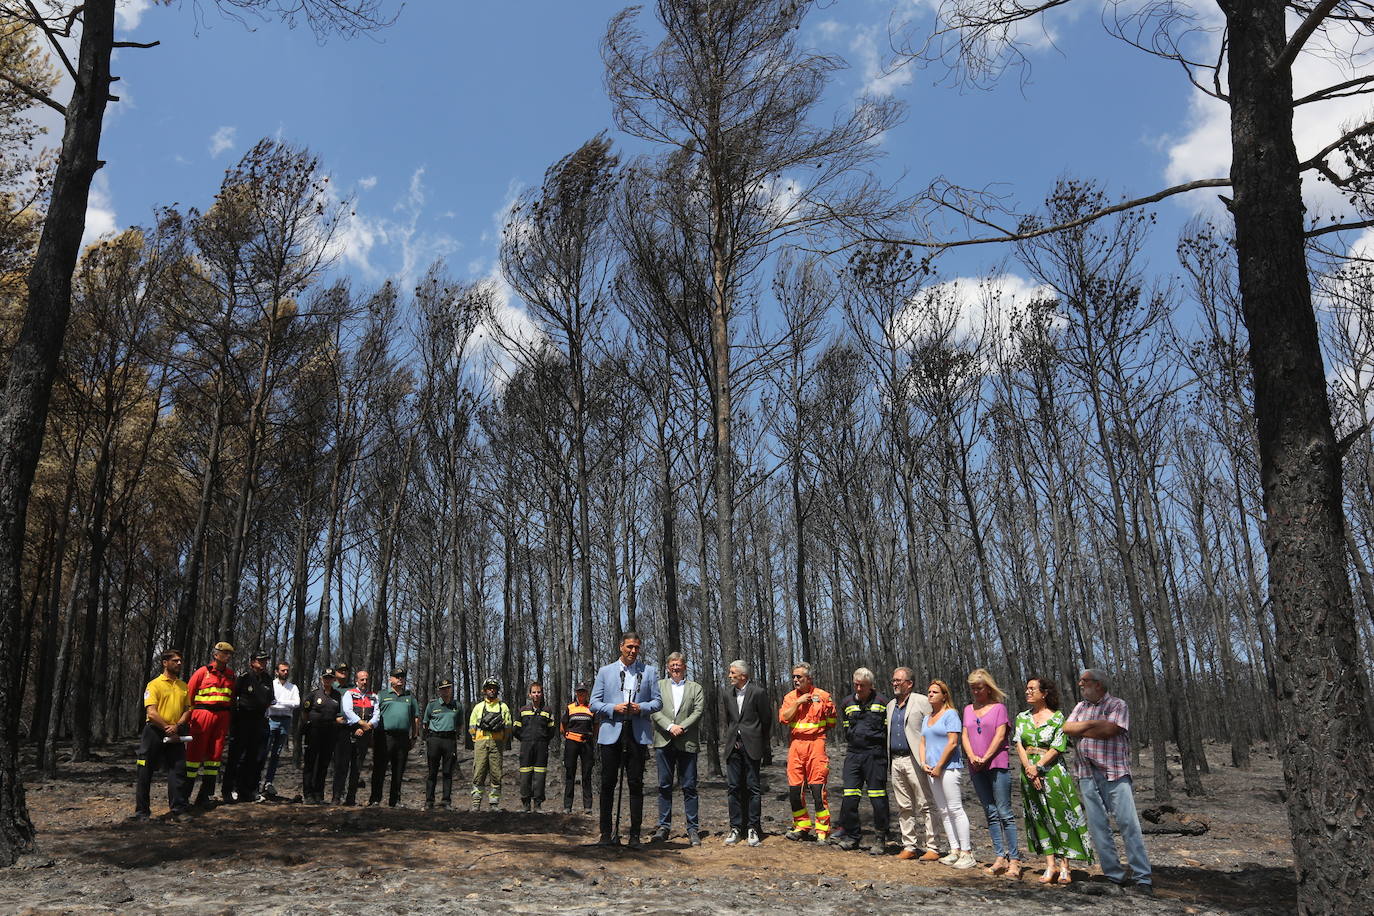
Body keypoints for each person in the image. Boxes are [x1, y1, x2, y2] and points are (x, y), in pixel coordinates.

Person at [1064, 669, 1153, 895]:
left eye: (1085, 681)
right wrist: (1093, 726)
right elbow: (1067, 728)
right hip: (1086, 773)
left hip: (1114, 772)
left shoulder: (1117, 705)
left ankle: (1142, 878)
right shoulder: (1080, 706)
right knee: (1098, 827)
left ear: (1099, 685)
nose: (1080, 684)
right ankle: (1114, 875)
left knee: (1128, 824)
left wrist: (1083, 728)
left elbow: (1111, 730)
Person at [1014, 675, 1093, 885]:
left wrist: (1038, 767)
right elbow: (1019, 745)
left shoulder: (1058, 718)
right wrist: (1029, 770)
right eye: (1027, 689)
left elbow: (1058, 746)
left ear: (1044, 693)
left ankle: (1066, 864)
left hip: (1053, 773)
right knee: (1039, 817)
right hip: (1028, 772)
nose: (1028, 692)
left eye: (1032, 689)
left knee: (1059, 816)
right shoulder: (1022, 717)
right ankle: (1050, 864)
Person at [589, 631, 662, 847]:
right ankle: (606, 833)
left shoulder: (648, 672)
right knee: (608, 784)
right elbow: (594, 703)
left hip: (637, 734)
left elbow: (658, 702)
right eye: (629, 647)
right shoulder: (606, 672)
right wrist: (614, 708)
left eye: (637, 648)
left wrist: (641, 708)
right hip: (612, 733)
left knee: (635, 784)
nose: (633, 651)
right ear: (621, 646)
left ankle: (635, 836)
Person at [963, 668, 1021, 878]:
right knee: (990, 812)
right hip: (975, 766)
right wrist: (972, 757)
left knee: (1005, 812)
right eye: (972, 689)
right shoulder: (968, 709)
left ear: (988, 688)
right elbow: (965, 736)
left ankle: (1014, 860)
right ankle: (999, 856)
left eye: (979, 688)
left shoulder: (999, 709)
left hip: (996, 763)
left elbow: (1000, 736)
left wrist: (985, 757)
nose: (975, 692)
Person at [886, 667, 941, 861]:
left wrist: (932, 758)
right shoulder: (891, 705)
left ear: (909, 683)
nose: (895, 683)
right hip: (896, 760)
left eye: (899, 680)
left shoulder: (922, 702)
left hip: (915, 759)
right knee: (904, 806)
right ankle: (909, 846)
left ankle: (932, 847)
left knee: (926, 804)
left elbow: (934, 727)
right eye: (893, 680)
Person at [919, 679, 975, 869]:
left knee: (955, 808)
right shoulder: (926, 718)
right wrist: (923, 763)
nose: (930, 694)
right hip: (931, 769)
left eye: (935, 692)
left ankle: (967, 852)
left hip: (949, 768)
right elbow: (923, 742)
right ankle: (954, 850)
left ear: (944, 696)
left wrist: (940, 766)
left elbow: (953, 742)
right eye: (929, 692)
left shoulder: (951, 714)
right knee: (942, 810)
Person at [650, 652, 704, 845]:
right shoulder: (658, 686)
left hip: (686, 741)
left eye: (679, 665)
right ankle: (664, 826)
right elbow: (654, 709)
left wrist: (682, 726)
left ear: (685, 667)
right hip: (664, 740)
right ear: (667, 667)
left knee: (689, 786)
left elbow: (698, 711)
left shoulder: (695, 688)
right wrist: (669, 726)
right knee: (664, 786)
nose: (675, 668)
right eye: (672, 665)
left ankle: (692, 828)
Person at [780, 662, 836, 843]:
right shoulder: (790, 697)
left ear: (809, 679)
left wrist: (822, 708)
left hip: (816, 744)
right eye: (794, 677)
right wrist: (798, 702)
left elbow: (831, 722)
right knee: (795, 789)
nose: (795, 680)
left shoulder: (823, 696)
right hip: (796, 745)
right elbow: (784, 718)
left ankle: (823, 829)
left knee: (818, 788)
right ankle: (801, 825)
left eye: (799, 677)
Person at [836, 667, 890, 854]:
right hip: (853, 755)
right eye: (856, 685)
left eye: (863, 686)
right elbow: (845, 729)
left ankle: (880, 837)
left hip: (875, 755)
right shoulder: (847, 703)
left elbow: (887, 732)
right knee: (850, 796)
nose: (858, 689)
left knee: (877, 798)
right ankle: (852, 836)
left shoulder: (883, 702)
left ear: (871, 686)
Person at [132, 649, 191, 821]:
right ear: (165, 663)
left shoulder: (183, 686)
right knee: (145, 771)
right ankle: (142, 812)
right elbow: (151, 712)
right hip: (154, 732)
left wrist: (177, 726)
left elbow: (187, 710)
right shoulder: (154, 685)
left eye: (180, 661)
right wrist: (166, 727)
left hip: (175, 732)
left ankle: (178, 810)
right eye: (175, 661)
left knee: (178, 770)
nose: (179, 663)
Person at [722, 660, 770, 847]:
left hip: (752, 746)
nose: (730, 676)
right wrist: (734, 739)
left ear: (743, 675)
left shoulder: (758, 693)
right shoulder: (727, 694)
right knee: (733, 787)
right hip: (733, 746)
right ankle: (735, 827)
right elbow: (728, 720)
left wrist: (760, 743)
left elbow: (766, 720)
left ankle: (753, 828)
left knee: (753, 787)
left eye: (733, 673)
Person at [185, 641, 236, 806]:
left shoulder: (230, 675)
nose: (228, 656)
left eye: (230, 654)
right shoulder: (202, 672)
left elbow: (232, 697)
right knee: (194, 755)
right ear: (215, 655)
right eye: (225, 653)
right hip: (202, 715)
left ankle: (205, 795)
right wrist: (188, 717)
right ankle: (183, 795)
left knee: (215, 756)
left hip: (222, 717)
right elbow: (189, 695)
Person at [223, 650, 273, 804]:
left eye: (265, 660)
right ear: (252, 662)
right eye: (260, 660)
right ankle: (228, 790)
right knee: (236, 757)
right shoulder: (244, 677)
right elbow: (233, 698)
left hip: (259, 721)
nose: (263, 663)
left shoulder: (267, 678)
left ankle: (248, 790)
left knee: (254, 758)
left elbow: (270, 698)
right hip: (243, 720)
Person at [369, 668, 420, 807]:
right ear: (390, 679)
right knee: (379, 768)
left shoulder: (410, 697)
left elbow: (415, 717)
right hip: (384, 736)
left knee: (399, 770)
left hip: (403, 738)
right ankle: (375, 799)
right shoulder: (382, 695)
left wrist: (414, 736)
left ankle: (395, 800)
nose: (400, 679)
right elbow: (373, 715)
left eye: (402, 677)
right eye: (396, 677)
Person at [468, 676, 512, 810]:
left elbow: (508, 727)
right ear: (484, 690)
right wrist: (476, 739)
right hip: (481, 743)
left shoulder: (503, 707)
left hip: (496, 744)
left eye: (494, 688)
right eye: (489, 688)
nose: (491, 691)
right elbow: (471, 727)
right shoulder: (478, 707)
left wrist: (502, 741)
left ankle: (494, 803)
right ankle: (476, 803)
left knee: (496, 773)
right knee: (478, 772)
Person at [336, 669, 379, 805]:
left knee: (357, 767)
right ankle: (338, 796)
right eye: (362, 679)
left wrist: (368, 726)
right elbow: (348, 711)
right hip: (349, 732)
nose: (364, 682)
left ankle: (351, 797)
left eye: (366, 679)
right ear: (356, 681)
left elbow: (377, 715)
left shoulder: (374, 696)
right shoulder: (350, 694)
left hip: (365, 734)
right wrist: (360, 723)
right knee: (343, 765)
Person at [301, 670, 343, 804]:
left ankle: (319, 793)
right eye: (325, 678)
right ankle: (308, 794)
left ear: (334, 680)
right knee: (310, 763)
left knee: (324, 764)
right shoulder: (314, 694)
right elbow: (305, 711)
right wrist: (309, 724)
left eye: (330, 678)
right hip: (314, 732)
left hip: (330, 733)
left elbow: (340, 714)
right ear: (321, 679)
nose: (328, 680)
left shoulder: (337, 695)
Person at [515, 681, 556, 811]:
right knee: (525, 774)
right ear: (529, 694)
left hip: (541, 746)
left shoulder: (547, 711)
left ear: (542, 694)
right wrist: (525, 739)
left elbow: (552, 730)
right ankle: (525, 803)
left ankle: (538, 804)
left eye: (539, 692)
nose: (536, 695)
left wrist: (543, 739)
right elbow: (516, 729)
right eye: (534, 692)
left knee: (540, 775)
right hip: (526, 746)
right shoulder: (523, 710)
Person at [423, 679, 462, 810]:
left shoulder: (457, 705)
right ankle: (429, 801)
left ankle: (446, 801)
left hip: (450, 740)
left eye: (448, 688)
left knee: (447, 772)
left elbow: (460, 723)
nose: (446, 691)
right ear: (439, 690)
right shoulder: (432, 705)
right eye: (443, 689)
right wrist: (428, 738)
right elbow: (425, 722)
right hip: (434, 739)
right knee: (432, 772)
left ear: (451, 689)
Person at [263, 661, 299, 796]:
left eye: (287, 670)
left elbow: (296, 703)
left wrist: (278, 702)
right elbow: (268, 703)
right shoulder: (271, 685)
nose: (285, 672)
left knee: (276, 754)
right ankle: (255, 782)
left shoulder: (293, 687)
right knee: (264, 751)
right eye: (283, 670)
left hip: (285, 721)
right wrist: (283, 704)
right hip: (271, 720)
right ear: (276, 672)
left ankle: (268, 783)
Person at [561, 684, 595, 814]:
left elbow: (595, 725)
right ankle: (567, 806)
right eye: (579, 692)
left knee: (587, 774)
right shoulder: (570, 708)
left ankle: (587, 807)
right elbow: (563, 725)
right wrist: (569, 736)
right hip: (572, 743)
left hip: (587, 743)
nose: (581, 695)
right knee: (570, 774)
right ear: (576, 693)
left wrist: (591, 737)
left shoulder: (591, 708)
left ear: (587, 693)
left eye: (583, 692)